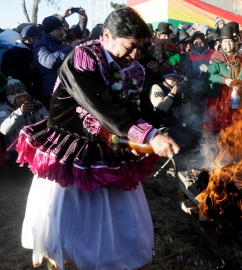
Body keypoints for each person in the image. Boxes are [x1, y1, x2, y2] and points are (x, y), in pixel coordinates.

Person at [18, 7, 179, 269]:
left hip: (110, 143)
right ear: (106, 35)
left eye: (141, 47)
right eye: (130, 46)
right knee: (72, 223)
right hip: (72, 147)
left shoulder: (136, 70)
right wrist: (147, 135)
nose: (136, 55)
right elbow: (95, 106)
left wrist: (136, 140)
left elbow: (130, 109)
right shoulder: (82, 58)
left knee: (118, 221)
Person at [203, 26, 242, 132]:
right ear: (221, 43)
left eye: (230, 42)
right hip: (220, 95)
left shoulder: (239, 57)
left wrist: (239, 82)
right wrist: (225, 80)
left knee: (236, 123)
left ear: (234, 43)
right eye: (225, 42)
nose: (227, 44)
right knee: (220, 123)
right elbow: (211, 75)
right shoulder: (216, 56)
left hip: (236, 94)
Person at [34, 15, 83, 108]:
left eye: (62, 29)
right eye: (59, 30)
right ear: (49, 32)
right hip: (52, 94)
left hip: (67, 90)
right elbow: (50, 62)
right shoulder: (40, 46)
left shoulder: (61, 44)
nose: (63, 32)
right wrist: (70, 48)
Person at [141, 67, 195, 149]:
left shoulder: (177, 90)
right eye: (172, 77)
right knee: (187, 142)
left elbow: (186, 112)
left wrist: (185, 98)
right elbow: (160, 109)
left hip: (176, 124)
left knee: (197, 137)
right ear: (165, 78)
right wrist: (172, 93)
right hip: (163, 127)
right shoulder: (157, 88)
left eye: (176, 77)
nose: (175, 80)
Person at [0, 77, 48, 161]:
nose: (23, 99)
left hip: (35, 148)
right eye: (18, 97)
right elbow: (4, 130)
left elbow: (48, 125)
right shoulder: (4, 109)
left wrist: (37, 113)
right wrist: (20, 112)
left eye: (25, 95)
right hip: (15, 152)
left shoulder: (35, 103)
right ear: (10, 98)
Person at [1, 25, 43, 98]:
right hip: (24, 95)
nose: (42, 39)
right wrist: (29, 69)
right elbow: (7, 72)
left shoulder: (41, 49)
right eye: (39, 37)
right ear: (29, 38)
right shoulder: (11, 53)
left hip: (41, 90)